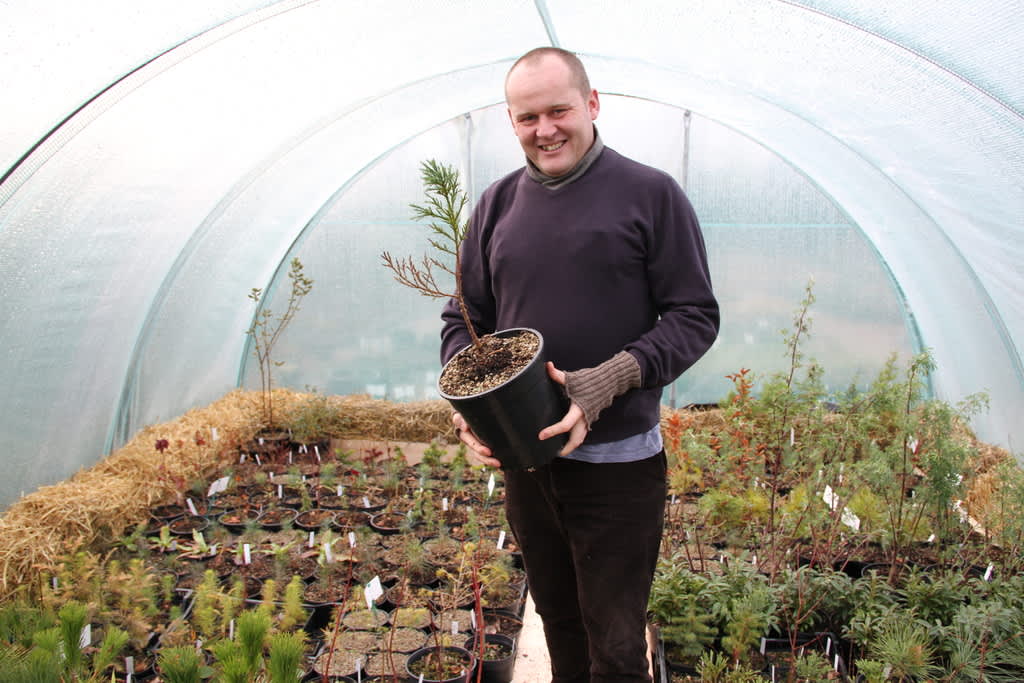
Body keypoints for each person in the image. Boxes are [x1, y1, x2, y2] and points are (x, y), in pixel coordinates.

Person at [440, 46, 719, 683]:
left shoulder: (650, 195)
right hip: (528, 465)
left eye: (559, 110)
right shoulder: (496, 206)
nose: (545, 130)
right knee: (560, 624)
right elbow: (464, 320)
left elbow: (694, 315)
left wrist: (606, 380)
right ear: (511, 121)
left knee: (616, 647)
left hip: (618, 465)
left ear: (591, 105)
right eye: (527, 117)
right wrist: (469, 407)